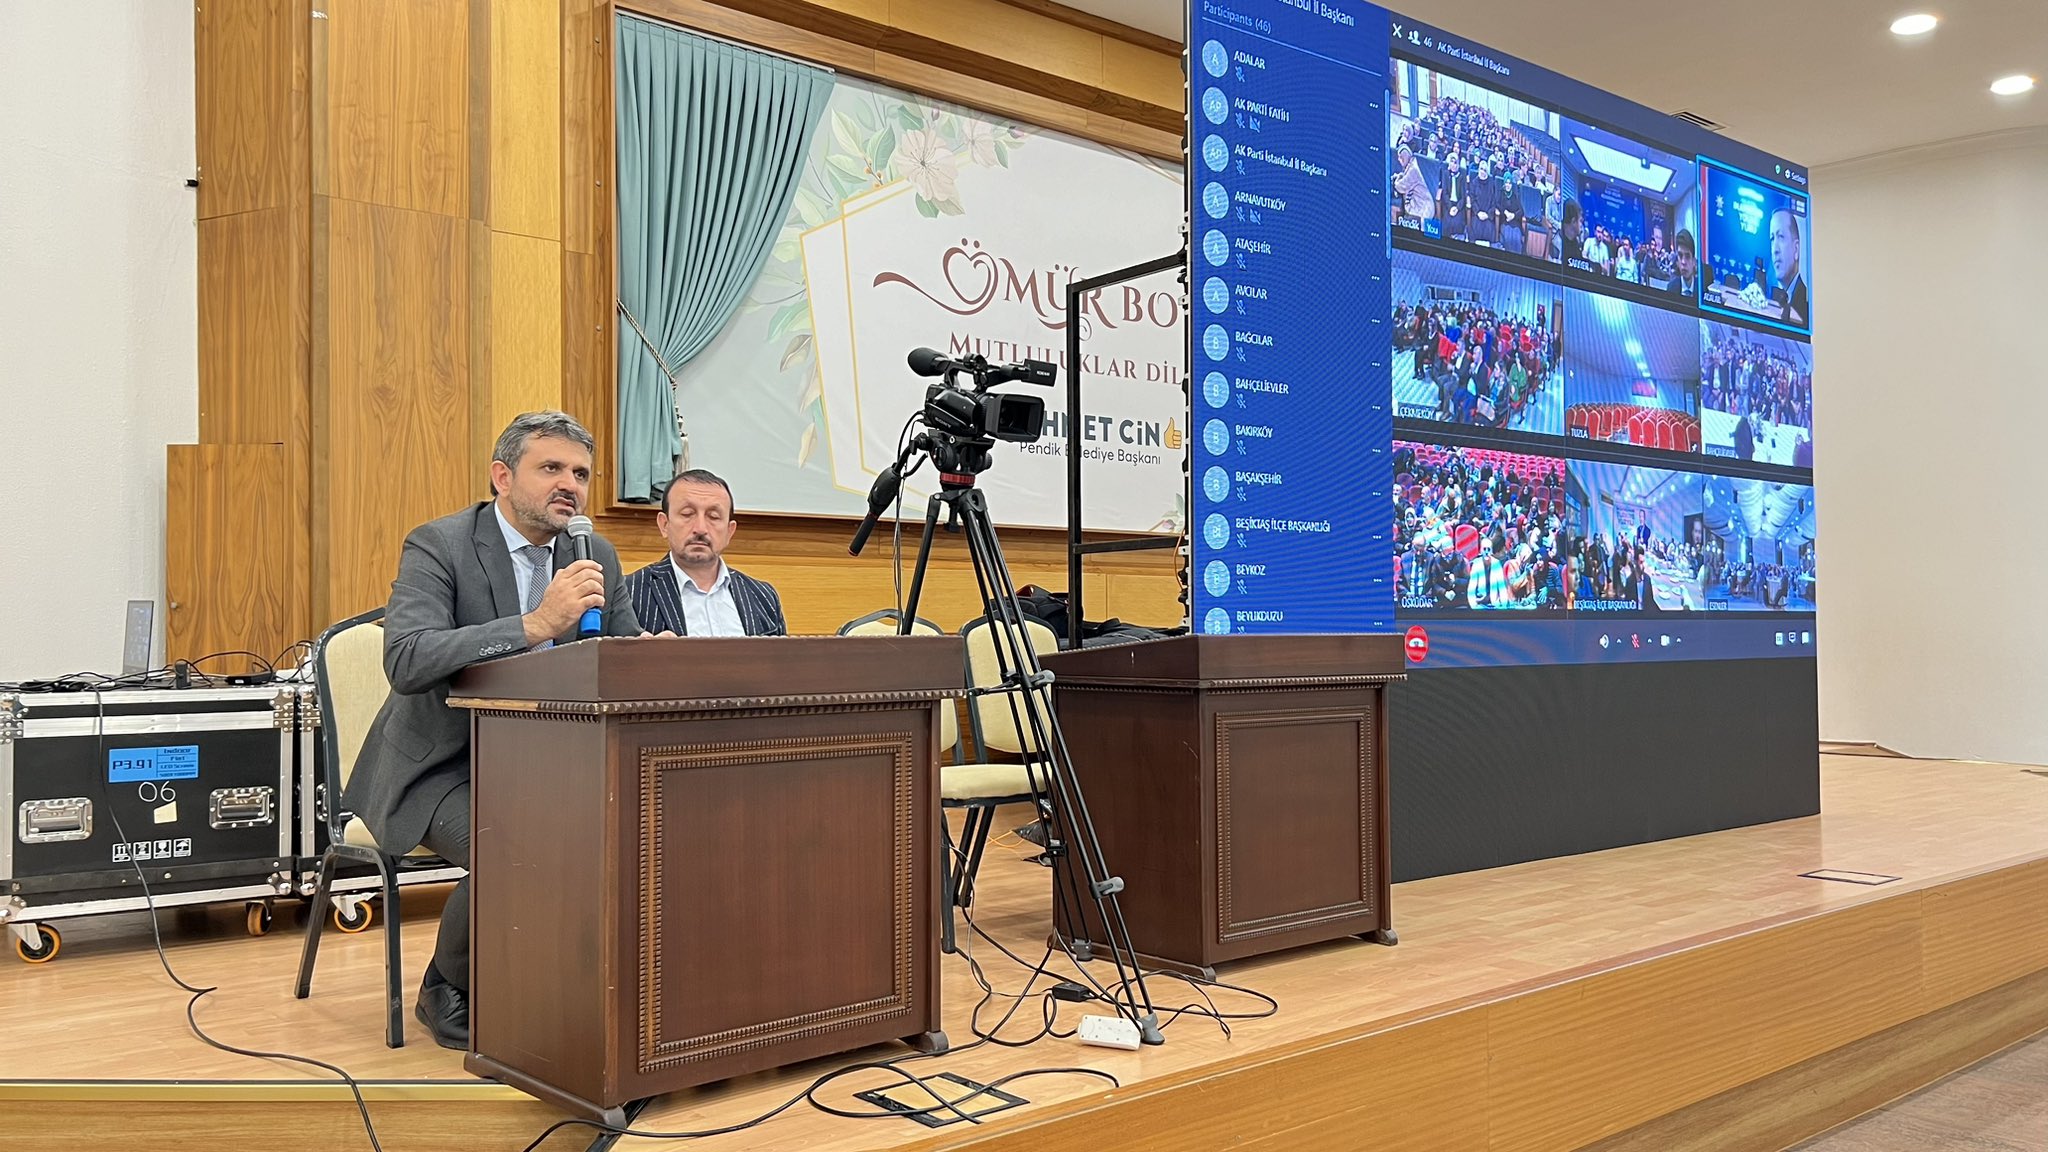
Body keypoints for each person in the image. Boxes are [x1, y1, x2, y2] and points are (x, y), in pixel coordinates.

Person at [344, 410, 647, 1049]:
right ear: (502, 476)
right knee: (524, 841)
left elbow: (615, 655)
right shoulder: (441, 543)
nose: (570, 485)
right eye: (552, 468)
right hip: (440, 768)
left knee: (635, 828)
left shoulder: (594, 553)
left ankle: (575, 981)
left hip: (551, 765)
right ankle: (445, 985)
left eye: (581, 474)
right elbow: (408, 659)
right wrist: (535, 624)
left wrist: (651, 656)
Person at [621, 468, 787, 636]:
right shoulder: (628, 593)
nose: (700, 529)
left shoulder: (763, 596)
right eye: (687, 514)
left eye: (713, 516)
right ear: (664, 524)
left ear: (730, 531)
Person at [1769, 207, 1808, 325]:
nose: (1775, 249)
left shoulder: (1807, 306)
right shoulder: (1772, 300)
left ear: (1796, 249)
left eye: (1780, 237)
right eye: (1772, 239)